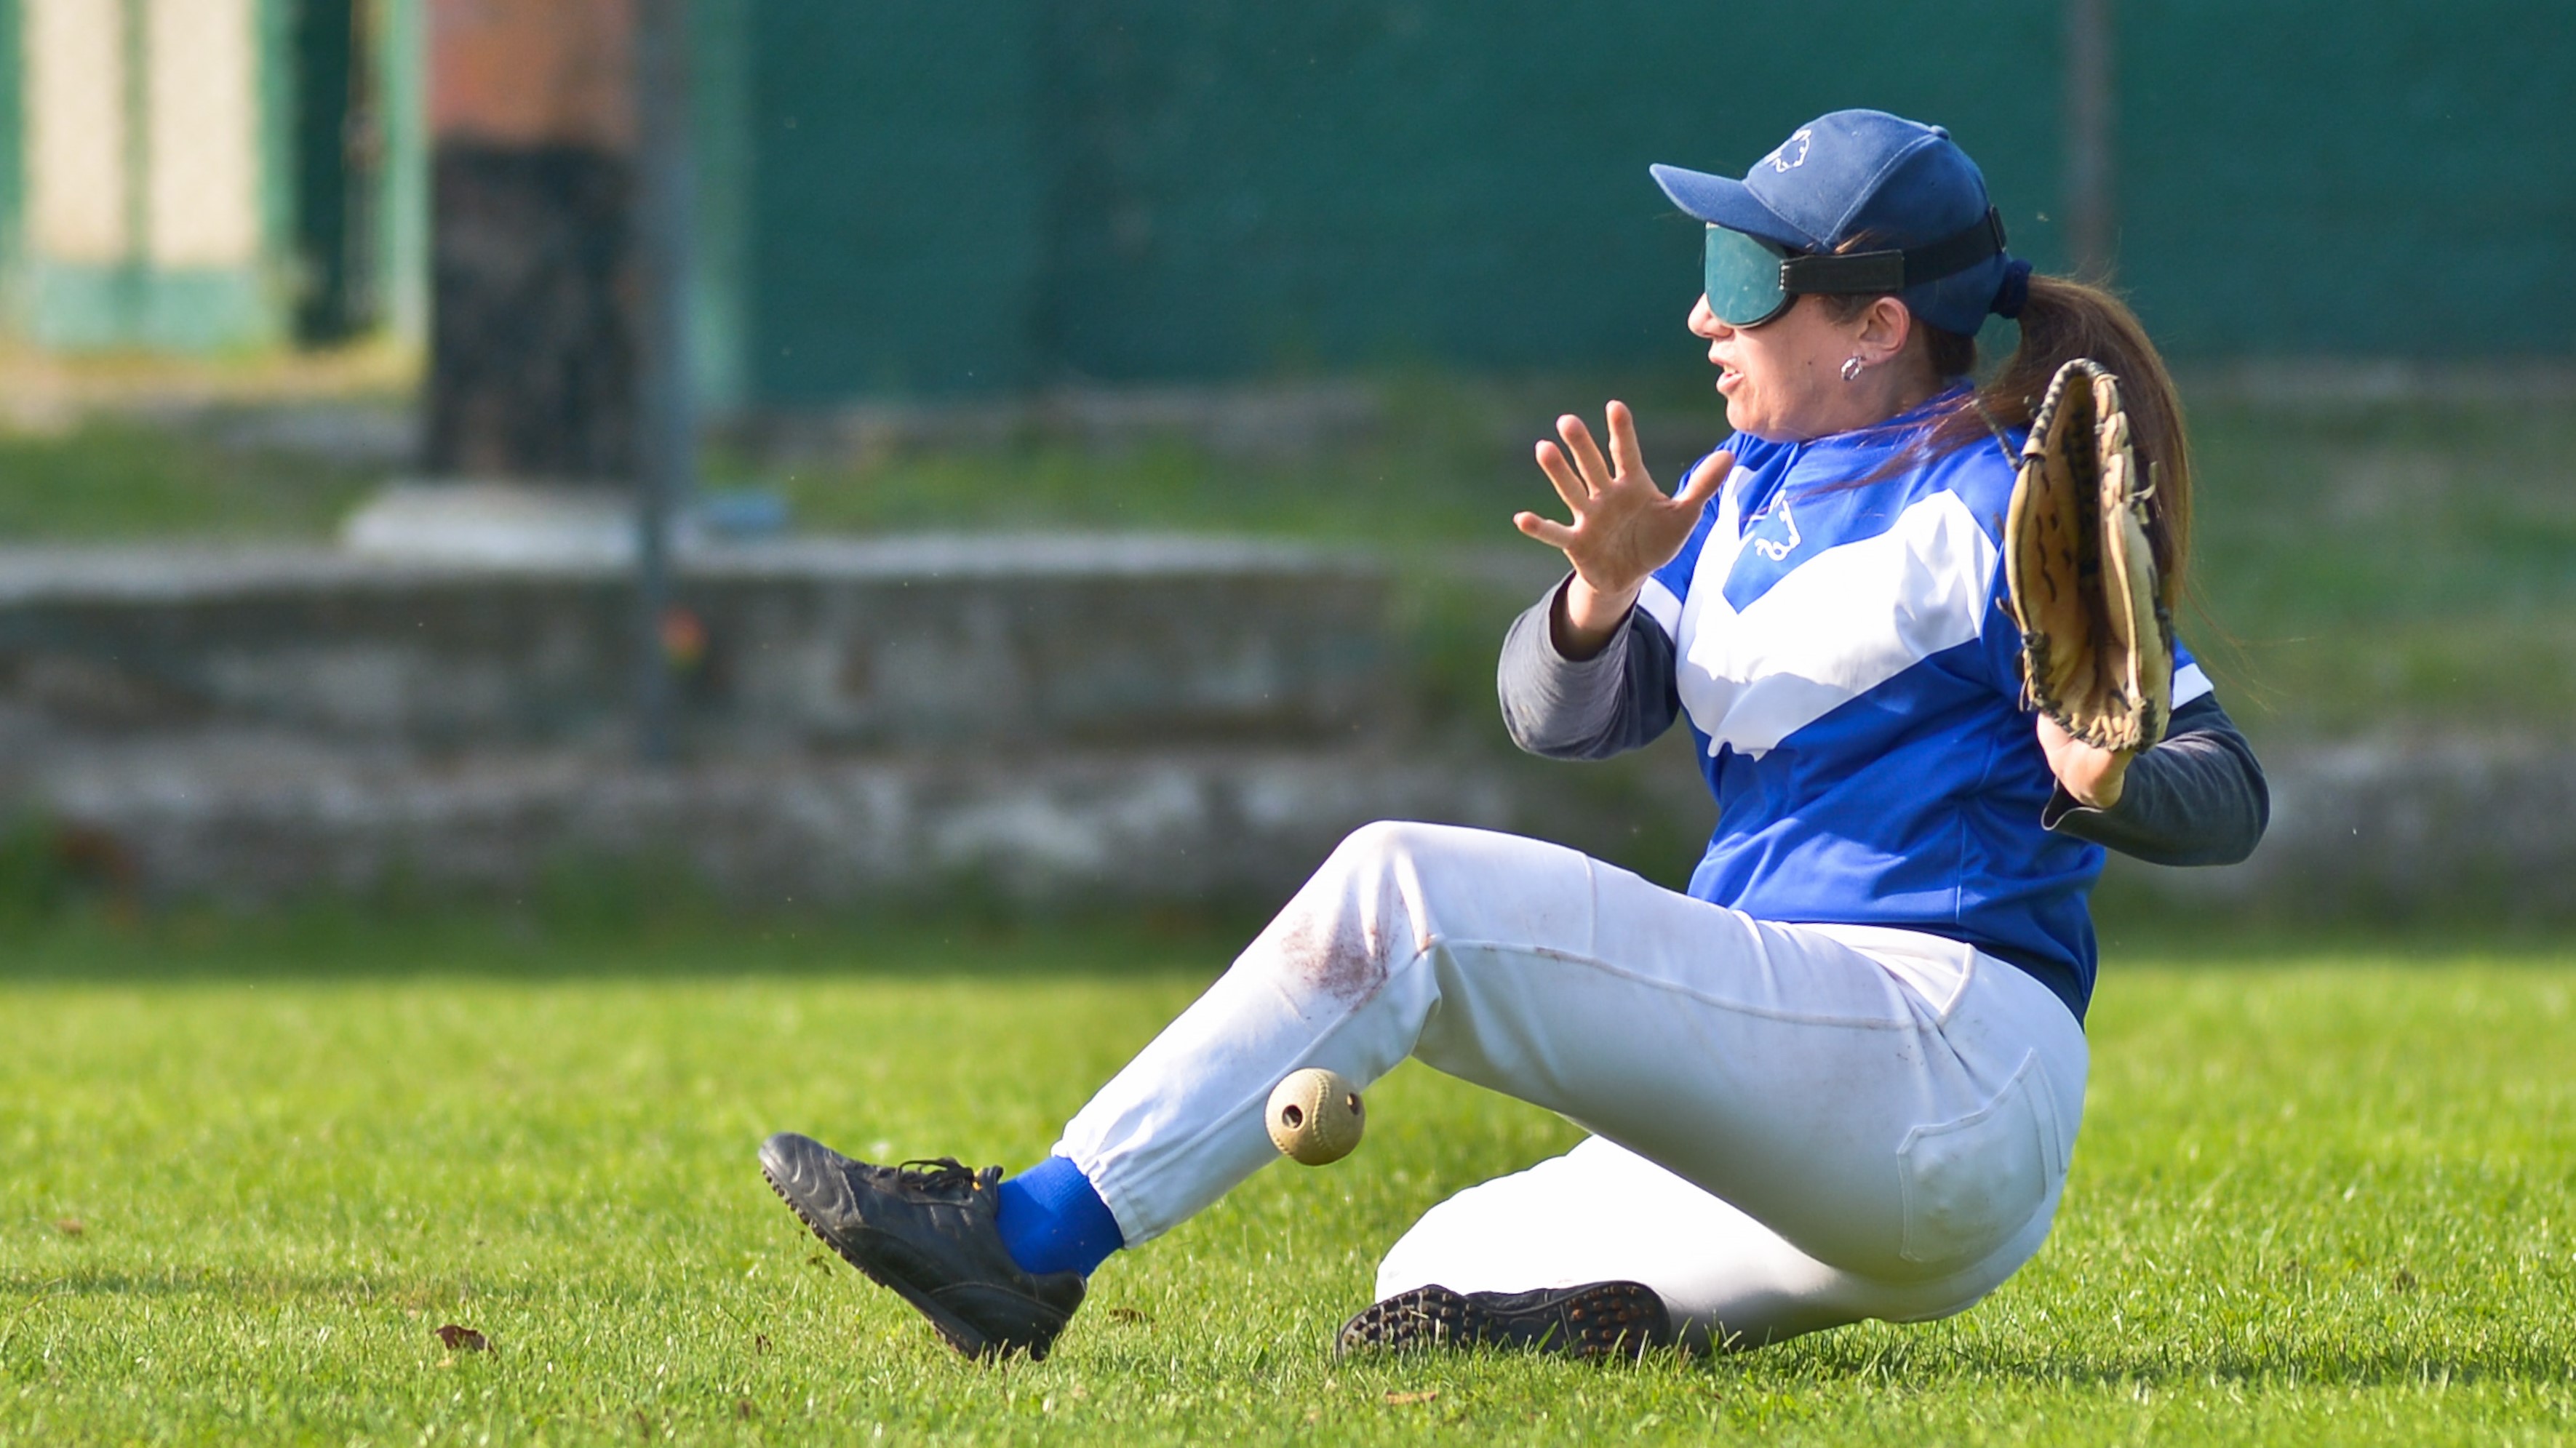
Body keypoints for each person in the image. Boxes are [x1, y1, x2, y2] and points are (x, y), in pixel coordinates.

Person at [758, 108, 2268, 1360]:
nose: (1703, 310)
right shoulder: (1731, 496)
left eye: (1747, 274)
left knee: (1402, 894)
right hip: (1830, 1135)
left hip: (1941, 1063)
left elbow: (2229, 792)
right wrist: (1601, 599)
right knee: (1430, 1276)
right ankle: (1639, 1338)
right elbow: (1550, 720)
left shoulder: (1992, 505)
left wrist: (2105, 780)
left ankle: (1021, 1245)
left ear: (1875, 326)